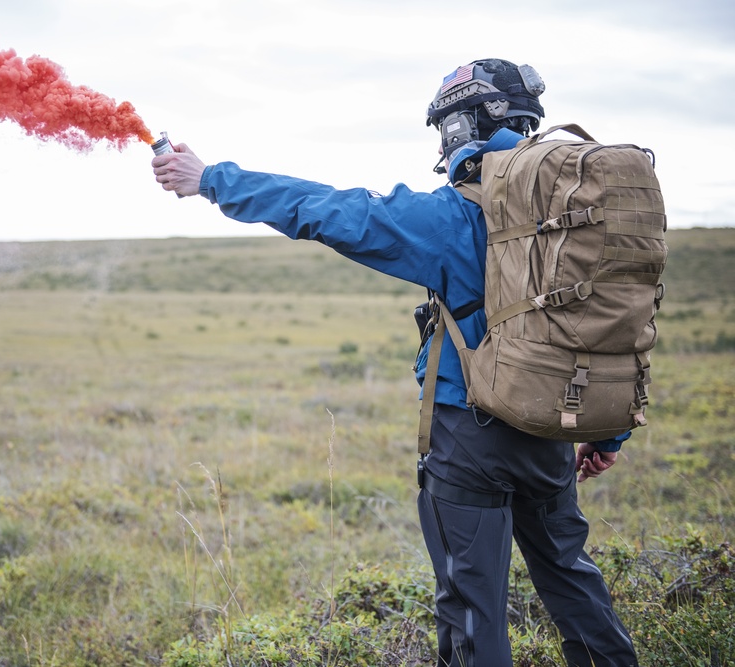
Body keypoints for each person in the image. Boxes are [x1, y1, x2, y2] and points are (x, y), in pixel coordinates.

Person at [151, 58, 638, 667]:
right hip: (556, 426)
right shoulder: (580, 213)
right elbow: (616, 314)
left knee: (471, 606)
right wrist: (608, 431)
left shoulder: (455, 213)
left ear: (465, 126)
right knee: (571, 576)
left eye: (447, 124)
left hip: (472, 436)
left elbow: (331, 210)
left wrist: (212, 179)